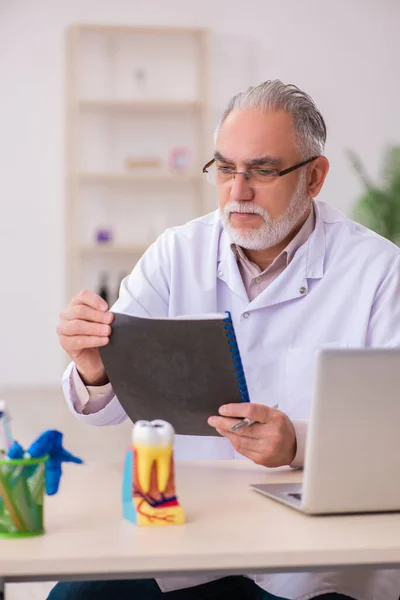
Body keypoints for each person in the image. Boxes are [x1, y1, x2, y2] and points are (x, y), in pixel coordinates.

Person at [54, 80, 400, 600]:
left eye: (262, 171)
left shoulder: (377, 272)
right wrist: (95, 368)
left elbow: (389, 437)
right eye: (225, 168)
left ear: (315, 177)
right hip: (191, 534)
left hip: (313, 559)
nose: (238, 191)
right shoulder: (176, 254)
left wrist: (299, 443)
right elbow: (105, 410)